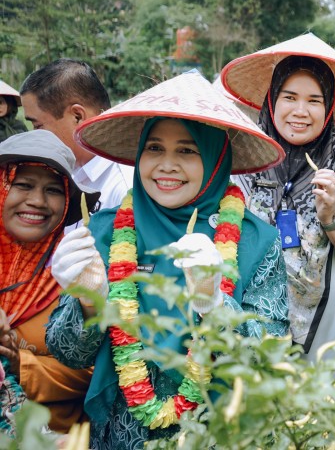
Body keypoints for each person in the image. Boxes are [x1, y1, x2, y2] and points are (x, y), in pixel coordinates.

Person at [45, 71, 289, 449]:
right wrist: (89, 300)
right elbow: (68, 353)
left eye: (188, 151)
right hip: (121, 432)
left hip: (221, 431)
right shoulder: (107, 230)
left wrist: (215, 306)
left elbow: (268, 354)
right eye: (154, 148)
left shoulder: (255, 240)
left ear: (215, 158)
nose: (166, 165)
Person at [222, 33, 335, 359]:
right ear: (271, 100)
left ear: (329, 109)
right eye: (289, 97)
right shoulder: (240, 161)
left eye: (314, 100)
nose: (301, 110)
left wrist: (333, 221)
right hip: (249, 336)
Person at [0, 130, 100, 433]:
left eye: (54, 190)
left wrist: (20, 363)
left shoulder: (81, 270)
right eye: (22, 185)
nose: (37, 201)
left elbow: (97, 372)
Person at [20, 59, 132, 223]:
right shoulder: (63, 170)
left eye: (37, 125)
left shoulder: (125, 187)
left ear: (77, 116)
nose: (35, 135)